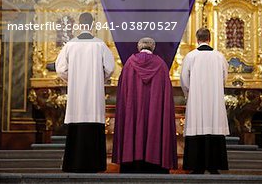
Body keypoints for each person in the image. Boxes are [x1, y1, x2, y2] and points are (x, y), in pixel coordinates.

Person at [55, 12, 115, 173]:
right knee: (94, 129)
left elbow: (60, 68)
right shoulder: (99, 45)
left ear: (79, 25)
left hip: (76, 96)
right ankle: (95, 164)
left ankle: (73, 164)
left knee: (76, 129)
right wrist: (99, 79)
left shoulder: (70, 45)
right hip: (94, 96)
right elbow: (110, 68)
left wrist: (73, 79)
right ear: (93, 24)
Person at [112, 37, 178, 173]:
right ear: (153, 48)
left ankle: (132, 162)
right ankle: (154, 163)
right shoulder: (161, 65)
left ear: (139, 47)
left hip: (133, 109)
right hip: (154, 111)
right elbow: (166, 95)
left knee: (132, 124)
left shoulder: (129, 64)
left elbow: (123, 92)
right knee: (154, 125)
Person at [180, 27, 229, 174]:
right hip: (215, 99)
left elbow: (184, 79)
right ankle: (214, 166)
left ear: (197, 39)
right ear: (209, 39)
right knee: (213, 128)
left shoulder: (190, 56)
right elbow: (224, 77)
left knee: (197, 127)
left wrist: (189, 93)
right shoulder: (219, 56)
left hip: (196, 100)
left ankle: (197, 167)